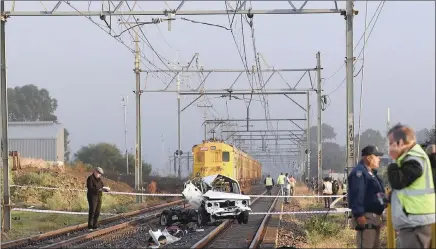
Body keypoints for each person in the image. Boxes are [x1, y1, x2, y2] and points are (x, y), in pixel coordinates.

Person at [386, 124, 435, 249]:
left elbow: (398, 181)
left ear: (401, 142)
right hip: (413, 220)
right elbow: (407, 189)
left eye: (392, 143)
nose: (390, 147)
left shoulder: (414, 159)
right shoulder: (409, 158)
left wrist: (392, 164)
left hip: (416, 222)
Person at [348, 145, 386, 249]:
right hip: (366, 218)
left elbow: (378, 192)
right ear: (368, 158)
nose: (379, 159)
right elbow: (357, 194)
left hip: (374, 218)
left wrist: (385, 202)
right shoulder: (360, 173)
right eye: (377, 156)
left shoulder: (372, 173)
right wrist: (360, 215)